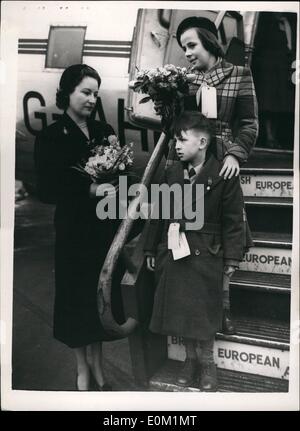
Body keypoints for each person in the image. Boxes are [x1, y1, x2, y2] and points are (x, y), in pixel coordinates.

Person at [154, 16, 257, 333]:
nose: (186, 53)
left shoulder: (239, 75)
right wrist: (164, 103)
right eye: (183, 46)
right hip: (188, 165)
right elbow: (175, 129)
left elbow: (249, 124)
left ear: (210, 42)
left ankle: (222, 307)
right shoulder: (184, 81)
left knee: (226, 238)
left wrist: (237, 155)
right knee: (192, 235)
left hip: (221, 162)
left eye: (192, 45)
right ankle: (197, 311)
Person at [34, 64, 125, 391]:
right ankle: (82, 368)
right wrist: (88, 190)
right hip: (74, 232)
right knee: (75, 298)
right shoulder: (50, 137)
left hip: (103, 230)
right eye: (85, 92)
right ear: (67, 92)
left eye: (95, 93)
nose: (91, 99)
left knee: (98, 297)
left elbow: (122, 176)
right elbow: (45, 189)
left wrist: (116, 188)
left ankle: (98, 365)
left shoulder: (105, 131)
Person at [144, 111, 245, 391]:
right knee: (181, 308)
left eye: (182, 140)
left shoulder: (223, 174)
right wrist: (152, 247)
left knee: (203, 309)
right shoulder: (172, 171)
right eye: (175, 140)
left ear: (202, 143)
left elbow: (234, 219)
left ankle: (207, 362)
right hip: (176, 250)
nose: (176, 145)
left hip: (207, 252)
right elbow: (159, 212)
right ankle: (190, 360)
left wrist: (232, 257)